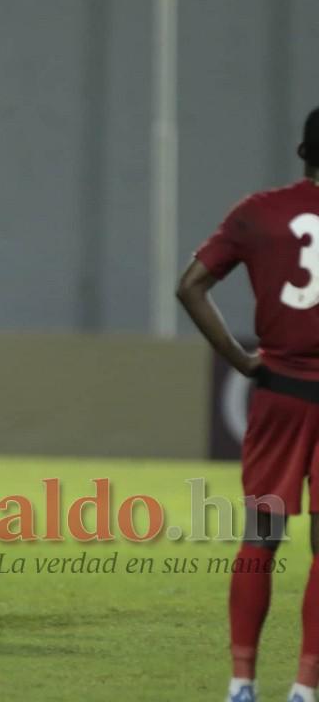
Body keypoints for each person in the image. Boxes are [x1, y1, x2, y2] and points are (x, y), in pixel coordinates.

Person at [177, 107, 319, 702]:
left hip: (279, 395)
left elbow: (190, 285)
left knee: (262, 533)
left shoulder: (258, 211)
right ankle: (306, 688)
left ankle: (241, 682)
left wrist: (241, 359)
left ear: (302, 152)